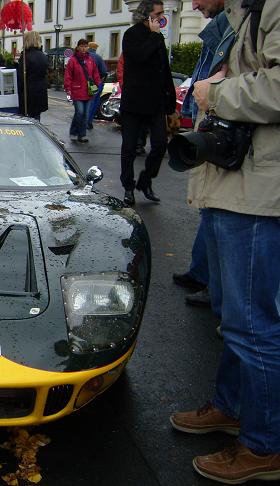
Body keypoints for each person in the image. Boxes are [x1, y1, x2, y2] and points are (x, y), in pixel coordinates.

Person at [169, 0, 280, 483]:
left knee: (253, 326)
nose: (192, 4)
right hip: (234, 186)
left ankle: (265, 446)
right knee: (235, 321)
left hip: (256, 195)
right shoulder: (241, 15)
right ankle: (233, 408)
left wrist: (216, 92)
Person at [172, 0, 231, 311]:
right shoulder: (228, 22)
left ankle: (220, 297)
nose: (193, 4)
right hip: (212, 130)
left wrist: (213, 98)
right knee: (209, 211)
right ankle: (204, 275)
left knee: (218, 215)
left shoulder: (235, 24)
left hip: (222, 136)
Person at [120, 0, 176, 206]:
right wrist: (153, 36)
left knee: (161, 144)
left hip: (155, 103)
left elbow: (164, 70)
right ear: (146, 16)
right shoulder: (131, 35)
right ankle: (128, 186)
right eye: (158, 14)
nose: (162, 17)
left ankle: (145, 180)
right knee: (129, 148)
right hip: (134, 103)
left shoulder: (157, 37)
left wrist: (170, 102)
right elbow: (140, 57)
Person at [64, 39, 101, 143]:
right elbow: (68, 76)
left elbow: (96, 74)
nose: (84, 48)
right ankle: (74, 132)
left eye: (86, 46)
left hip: (88, 91)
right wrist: (68, 88)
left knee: (85, 114)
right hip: (77, 91)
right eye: (82, 46)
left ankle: (82, 135)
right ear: (78, 47)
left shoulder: (90, 60)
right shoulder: (73, 60)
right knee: (79, 112)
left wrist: (97, 84)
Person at [16, 31, 49, 121]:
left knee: (27, 119)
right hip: (40, 91)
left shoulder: (26, 57)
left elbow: (21, 78)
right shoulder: (43, 56)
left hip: (28, 93)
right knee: (36, 117)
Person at [86, 41, 107, 130]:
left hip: (83, 82)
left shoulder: (83, 56)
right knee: (93, 102)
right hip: (94, 83)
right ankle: (88, 122)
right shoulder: (97, 57)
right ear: (95, 48)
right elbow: (103, 71)